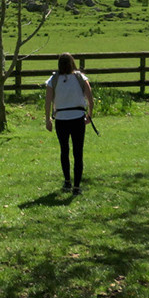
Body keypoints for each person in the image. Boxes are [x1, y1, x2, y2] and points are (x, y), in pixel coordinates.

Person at [45, 53, 94, 194]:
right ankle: (77, 186)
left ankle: (67, 181)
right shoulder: (80, 78)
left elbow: (48, 102)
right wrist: (89, 115)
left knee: (64, 150)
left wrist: (47, 119)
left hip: (61, 119)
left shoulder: (52, 80)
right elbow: (90, 99)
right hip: (78, 117)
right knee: (78, 152)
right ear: (73, 63)